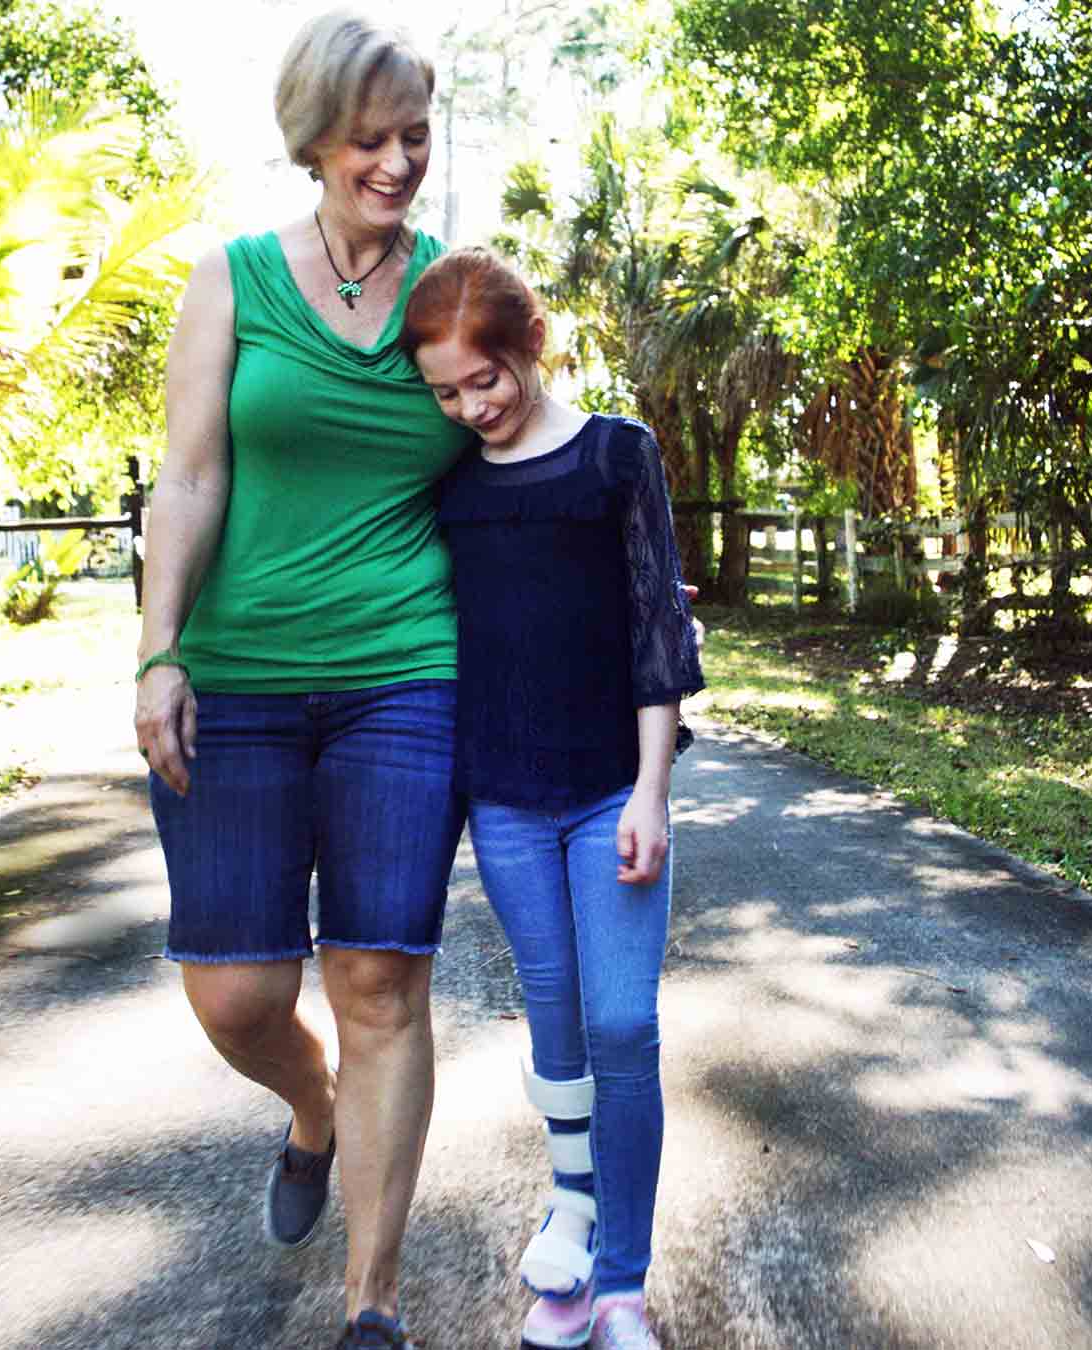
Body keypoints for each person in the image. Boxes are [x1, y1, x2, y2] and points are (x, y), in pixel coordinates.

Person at [131, 12, 469, 1349]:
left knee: (381, 978)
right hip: (241, 674)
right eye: (372, 138)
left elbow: (518, 436)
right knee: (240, 993)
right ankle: (310, 1100)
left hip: (406, 671)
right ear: (316, 137)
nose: (397, 162)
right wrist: (159, 649)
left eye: (416, 137)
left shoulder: (452, 289)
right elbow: (193, 472)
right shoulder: (232, 280)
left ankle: (371, 1302)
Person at [398, 247, 703, 1350]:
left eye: (486, 378)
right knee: (558, 1025)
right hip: (508, 800)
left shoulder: (619, 456)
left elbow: (658, 632)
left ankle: (620, 1280)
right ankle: (573, 1246)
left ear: (531, 346)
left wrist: (654, 792)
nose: (471, 406)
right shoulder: (452, 487)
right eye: (446, 391)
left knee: (624, 1024)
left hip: (611, 790)